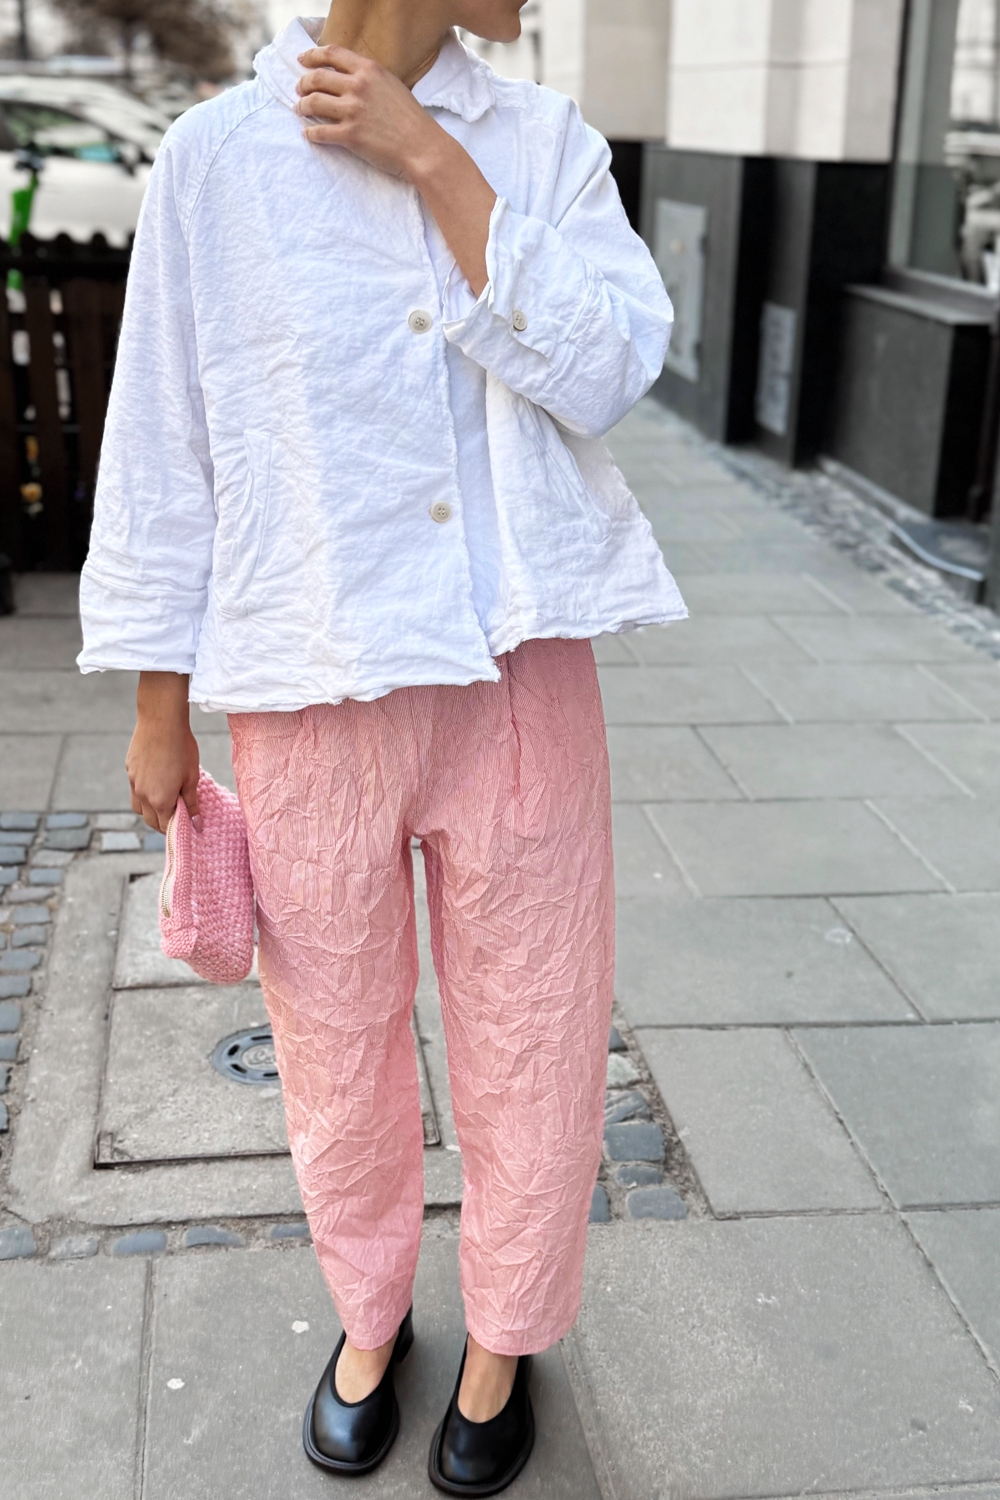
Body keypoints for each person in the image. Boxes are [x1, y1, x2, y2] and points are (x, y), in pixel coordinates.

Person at [78, 1, 685, 1492]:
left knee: (537, 1031)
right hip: (309, 683)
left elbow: (612, 368)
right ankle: (368, 1312)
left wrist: (437, 165)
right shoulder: (216, 160)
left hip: (517, 670)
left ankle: (505, 1336)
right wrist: (159, 700)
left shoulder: (540, 142)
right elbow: (164, 439)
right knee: (335, 1045)